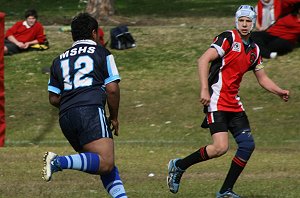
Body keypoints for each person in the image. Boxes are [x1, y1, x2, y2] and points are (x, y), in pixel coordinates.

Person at [167, 5, 289, 198]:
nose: (244, 24)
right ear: (236, 21)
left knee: (247, 145)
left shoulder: (254, 49)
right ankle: (179, 165)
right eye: (241, 20)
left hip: (233, 102)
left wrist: (279, 91)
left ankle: (225, 191)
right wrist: (204, 89)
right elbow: (203, 60)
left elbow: (263, 78)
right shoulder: (228, 38)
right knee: (220, 148)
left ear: (253, 23)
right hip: (216, 100)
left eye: (248, 21)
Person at [42, 13, 127, 198]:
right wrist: (113, 117)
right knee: (105, 162)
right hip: (89, 110)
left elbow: (53, 98)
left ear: (73, 35)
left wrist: (72, 104)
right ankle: (59, 162)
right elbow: (112, 89)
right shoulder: (101, 52)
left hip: (66, 118)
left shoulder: (58, 60)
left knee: (101, 163)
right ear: (94, 33)